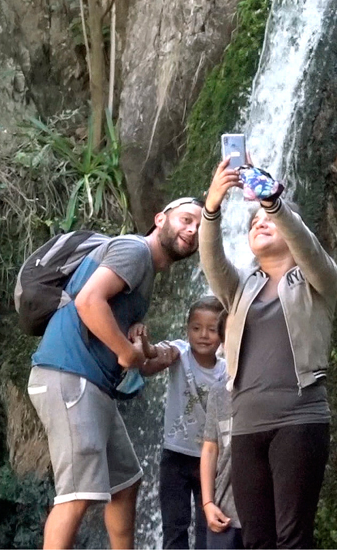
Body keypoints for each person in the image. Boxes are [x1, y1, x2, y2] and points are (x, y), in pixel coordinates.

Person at [27, 196, 204, 549]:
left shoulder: (145, 272)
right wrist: (129, 353)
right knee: (76, 496)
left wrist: (149, 351)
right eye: (186, 219)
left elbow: (128, 351)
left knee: (125, 484)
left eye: (200, 227)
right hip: (69, 377)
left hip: (94, 386)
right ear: (160, 219)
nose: (192, 230)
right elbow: (88, 301)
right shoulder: (134, 251)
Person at [201, 159, 337, 548]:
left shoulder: (318, 280)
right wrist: (212, 206)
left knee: (292, 538)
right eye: (253, 222)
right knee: (256, 541)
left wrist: (274, 203)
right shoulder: (241, 289)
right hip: (246, 427)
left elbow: (308, 249)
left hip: (299, 420)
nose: (259, 222)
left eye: (269, 219)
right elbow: (211, 262)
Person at [135, 297, 227, 549]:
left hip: (211, 462)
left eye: (211, 329)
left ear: (223, 332)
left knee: (207, 531)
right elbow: (153, 357)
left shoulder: (227, 369)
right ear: (187, 330)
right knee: (174, 527)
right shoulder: (180, 352)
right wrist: (143, 342)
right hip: (175, 457)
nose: (203, 335)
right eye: (196, 328)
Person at [201, 378, 242, 550]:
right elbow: (210, 449)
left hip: (266, 517)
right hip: (224, 514)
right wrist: (208, 502)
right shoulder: (218, 393)